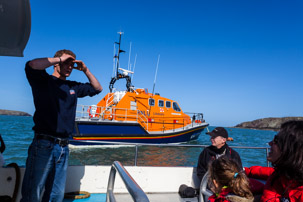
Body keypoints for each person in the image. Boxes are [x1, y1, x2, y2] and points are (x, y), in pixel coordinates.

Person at [21, 49, 102, 202]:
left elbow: (97, 88)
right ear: (57, 63)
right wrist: (59, 59)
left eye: (72, 65)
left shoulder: (73, 87)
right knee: (33, 194)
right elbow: (32, 64)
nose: (70, 67)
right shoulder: (42, 80)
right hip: (43, 145)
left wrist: (86, 70)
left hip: (64, 147)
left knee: (56, 196)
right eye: (67, 63)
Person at [245, 120, 303, 202]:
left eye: (276, 140)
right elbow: (266, 171)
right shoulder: (282, 175)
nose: (270, 143)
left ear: (291, 148)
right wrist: (245, 170)